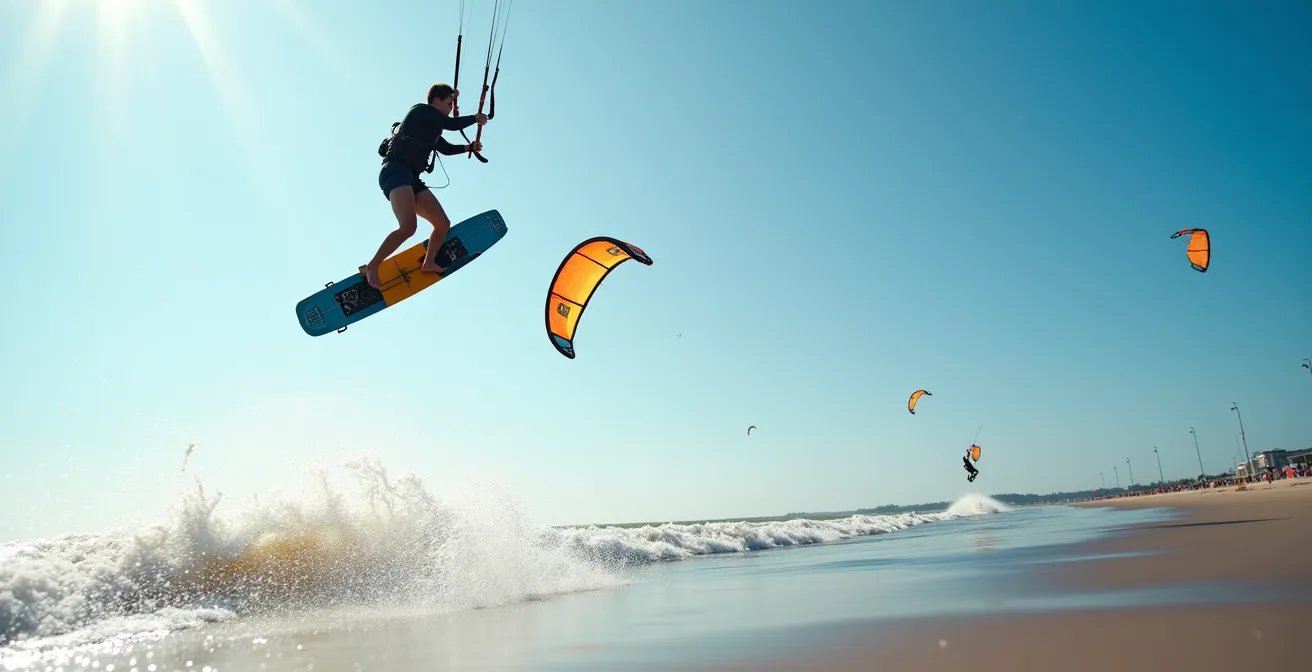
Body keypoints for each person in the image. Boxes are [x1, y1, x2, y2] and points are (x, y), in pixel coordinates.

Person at [362, 83, 488, 289]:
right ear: (436, 101)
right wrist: (474, 118)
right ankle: (373, 265)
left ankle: (428, 263)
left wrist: (468, 147)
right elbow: (451, 124)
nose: (450, 108)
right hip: (395, 171)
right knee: (408, 227)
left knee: (442, 223)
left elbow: (445, 148)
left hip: (412, 178)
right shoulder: (420, 111)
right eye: (449, 103)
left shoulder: (432, 129)